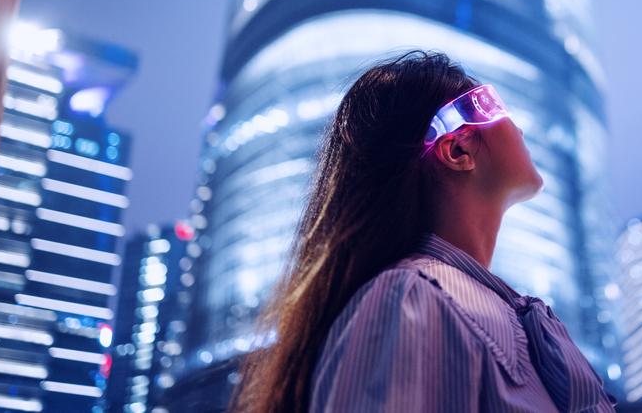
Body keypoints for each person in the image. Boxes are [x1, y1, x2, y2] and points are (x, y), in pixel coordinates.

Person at [231, 51, 616, 412]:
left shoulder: (483, 308)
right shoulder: (411, 298)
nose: (515, 125)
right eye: (492, 106)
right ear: (457, 152)